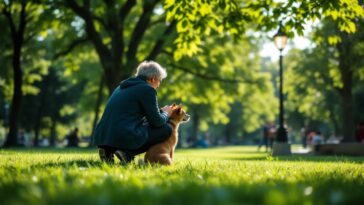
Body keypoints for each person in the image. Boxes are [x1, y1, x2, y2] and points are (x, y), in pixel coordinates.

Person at [92, 61, 173, 164]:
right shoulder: (147, 90)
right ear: (152, 78)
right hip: (123, 134)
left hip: (102, 136)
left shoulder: (121, 87)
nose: (158, 85)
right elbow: (156, 122)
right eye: (159, 81)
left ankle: (108, 150)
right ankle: (127, 153)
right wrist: (166, 113)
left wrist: (158, 112)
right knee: (166, 129)